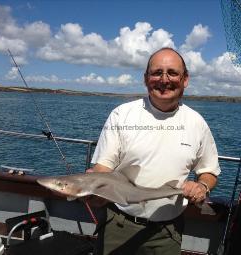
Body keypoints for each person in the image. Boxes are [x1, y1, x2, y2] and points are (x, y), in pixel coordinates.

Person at [88, 47, 221, 255]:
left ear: (185, 79)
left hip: (168, 232)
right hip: (119, 225)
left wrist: (202, 186)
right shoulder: (121, 115)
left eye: (172, 73)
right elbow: (102, 167)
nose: (164, 79)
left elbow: (210, 171)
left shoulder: (197, 123)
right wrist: (96, 190)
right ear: (145, 78)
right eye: (157, 72)